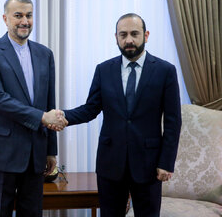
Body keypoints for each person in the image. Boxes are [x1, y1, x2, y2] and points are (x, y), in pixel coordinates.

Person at [52, 13, 182, 217]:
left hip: (148, 164)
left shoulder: (166, 71)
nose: (129, 40)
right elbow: (90, 109)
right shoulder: (104, 70)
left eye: (134, 34)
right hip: (110, 163)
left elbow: (173, 122)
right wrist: (61, 116)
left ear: (146, 35)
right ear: (116, 37)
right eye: (123, 34)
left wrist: (166, 162)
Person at [0, 0, 67, 217]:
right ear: (5, 18)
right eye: (18, 16)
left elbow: (49, 104)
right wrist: (42, 117)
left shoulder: (45, 54)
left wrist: (50, 151)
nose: (24, 21)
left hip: (35, 154)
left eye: (29, 15)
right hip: (1, 152)